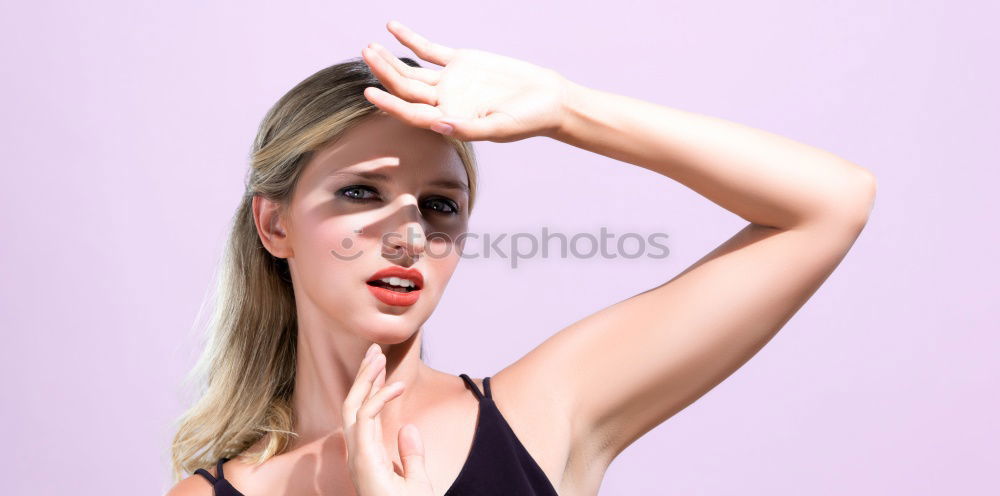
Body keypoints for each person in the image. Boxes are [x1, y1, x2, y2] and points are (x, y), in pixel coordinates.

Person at [166, 19, 876, 496]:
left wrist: (569, 110)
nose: (409, 232)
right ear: (274, 225)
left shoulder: (545, 410)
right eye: (361, 191)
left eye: (440, 204)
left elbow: (830, 204)